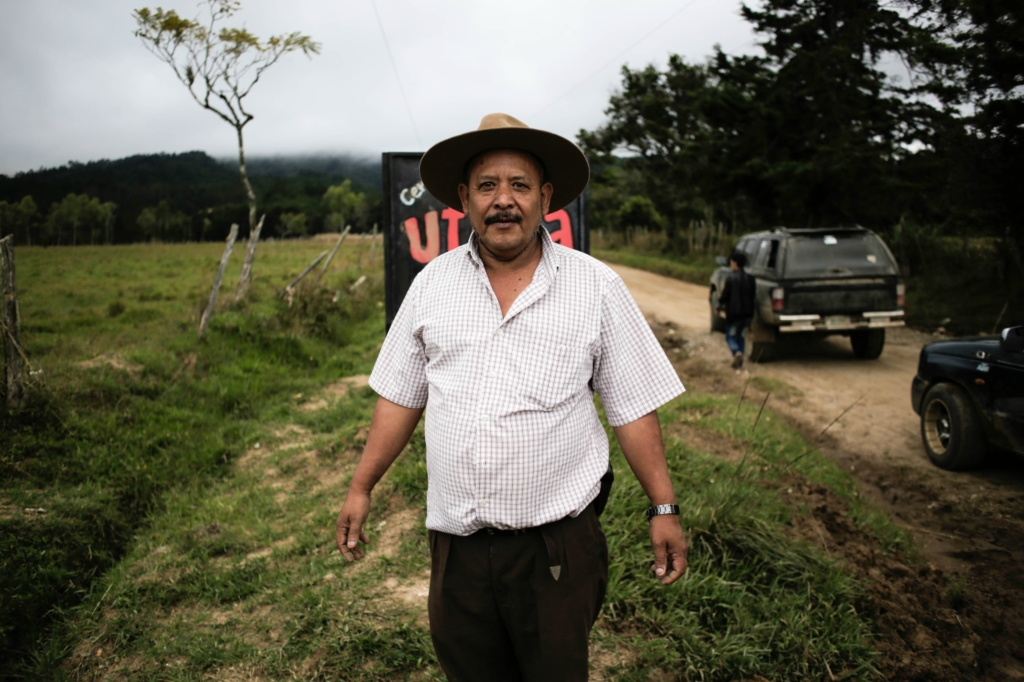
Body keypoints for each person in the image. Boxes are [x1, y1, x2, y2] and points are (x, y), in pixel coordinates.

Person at [335, 113, 688, 682]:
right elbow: (400, 397)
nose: (504, 200)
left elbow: (633, 404)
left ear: (546, 197)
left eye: (519, 185)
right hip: (458, 546)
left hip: (557, 547)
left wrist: (663, 507)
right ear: (463, 199)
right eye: (487, 186)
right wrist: (361, 486)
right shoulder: (432, 285)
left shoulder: (594, 285)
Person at [717, 251, 757, 370]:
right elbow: (753, 296)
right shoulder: (751, 279)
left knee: (730, 336)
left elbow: (725, 296)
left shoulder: (731, 278)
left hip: (734, 314)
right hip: (747, 315)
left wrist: (718, 306)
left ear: (734, 263)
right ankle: (740, 364)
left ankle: (736, 353)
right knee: (741, 336)